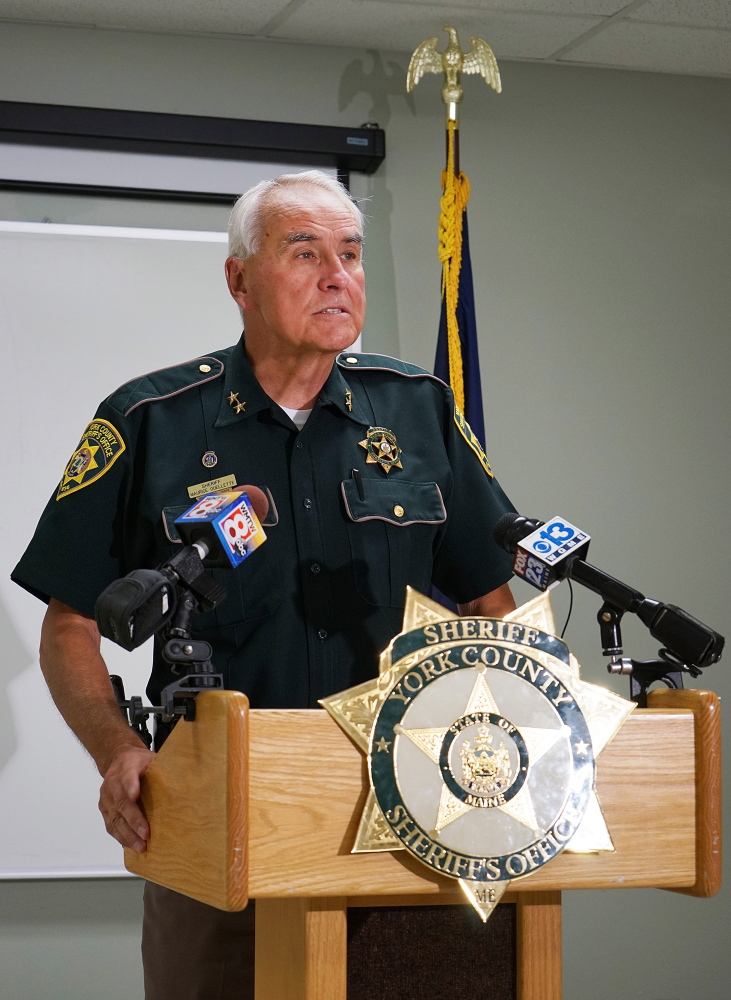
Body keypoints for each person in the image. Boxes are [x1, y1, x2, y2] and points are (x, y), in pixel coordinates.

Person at [11, 170, 516, 998]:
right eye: (305, 252)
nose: (337, 275)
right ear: (239, 279)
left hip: (405, 818)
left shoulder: (418, 412)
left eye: (350, 254)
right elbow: (71, 624)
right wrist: (119, 752)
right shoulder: (150, 421)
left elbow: (492, 603)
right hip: (218, 823)